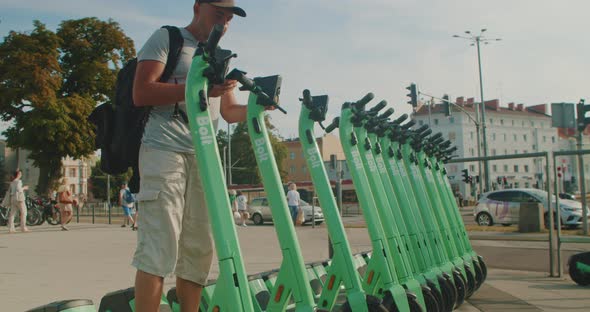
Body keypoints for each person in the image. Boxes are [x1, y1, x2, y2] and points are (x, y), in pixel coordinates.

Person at [130, 1, 248, 310]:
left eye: (229, 18)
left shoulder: (218, 56)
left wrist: (260, 106)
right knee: (160, 244)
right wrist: (196, 89)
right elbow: (141, 92)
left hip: (205, 156)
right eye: (218, 14)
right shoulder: (168, 38)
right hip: (164, 149)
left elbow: (229, 112)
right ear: (198, 7)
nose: (223, 22)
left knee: (198, 248)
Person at [7, 169, 30, 233]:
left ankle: (11, 228)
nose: (21, 175)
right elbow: (19, 189)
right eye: (20, 174)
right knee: (24, 212)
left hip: (12, 198)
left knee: (12, 213)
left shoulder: (12, 182)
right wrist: (24, 188)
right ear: (18, 174)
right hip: (19, 198)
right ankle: (23, 227)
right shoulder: (18, 181)